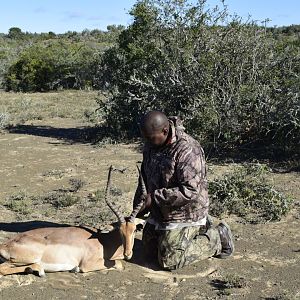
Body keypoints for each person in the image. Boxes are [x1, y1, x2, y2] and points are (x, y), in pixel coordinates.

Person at [133, 111, 234, 270]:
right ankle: (181, 236)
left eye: (150, 138)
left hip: (187, 211)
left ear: (165, 131)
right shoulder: (151, 144)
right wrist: (139, 203)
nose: (146, 142)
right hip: (161, 212)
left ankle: (217, 237)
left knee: (169, 260)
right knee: (148, 252)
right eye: (145, 137)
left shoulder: (187, 149)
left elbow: (190, 191)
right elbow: (144, 178)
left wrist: (154, 198)